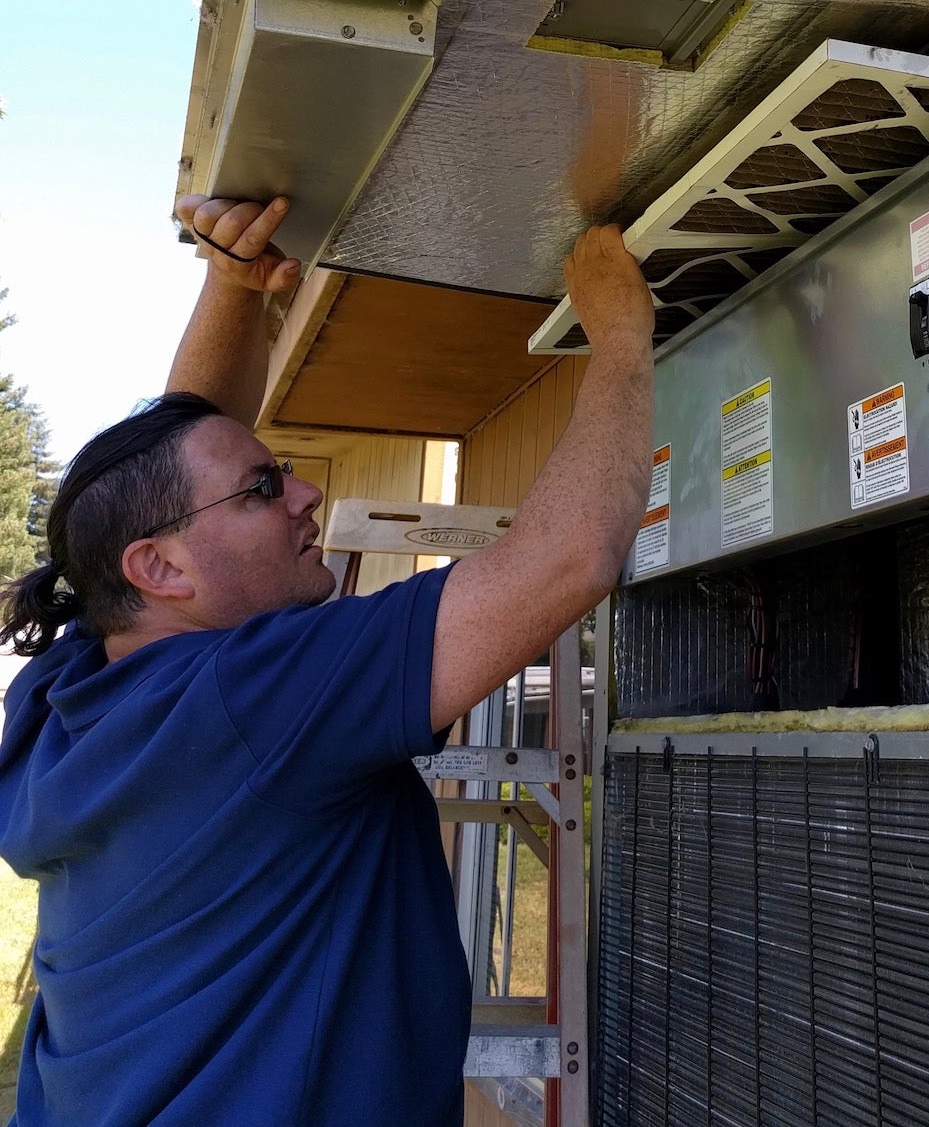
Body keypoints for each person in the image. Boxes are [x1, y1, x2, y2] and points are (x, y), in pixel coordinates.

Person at [0, 194, 655, 1125]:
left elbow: (168, 467)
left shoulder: (71, 687)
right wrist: (621, 336)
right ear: (162, 570)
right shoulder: (252, 693)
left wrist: (232, 287)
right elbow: (569, 557)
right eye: (264, 489)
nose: (306, 492)